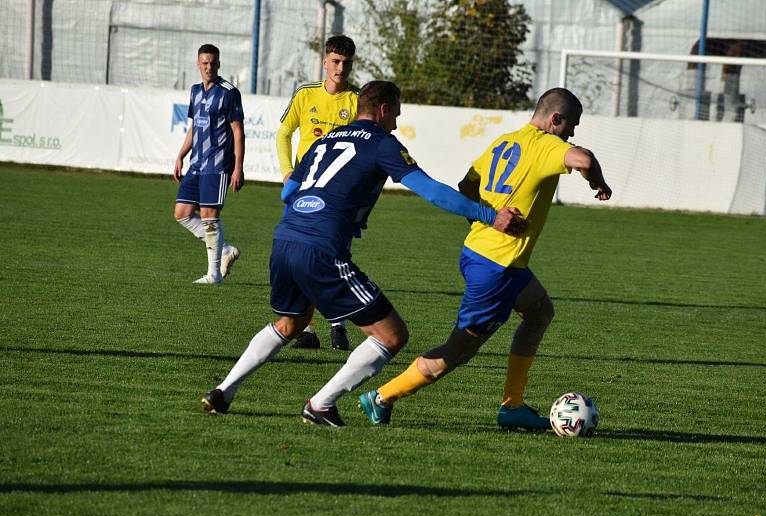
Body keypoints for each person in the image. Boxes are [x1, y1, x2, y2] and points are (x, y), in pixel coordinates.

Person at [201, 80, 526, 426]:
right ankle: (321, 404)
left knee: (291, 322)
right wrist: (490, 216)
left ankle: (223, 391)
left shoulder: (325, 140)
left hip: (284, 240)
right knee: (392, 335)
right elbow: (430, 191)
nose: (397, 123)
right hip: (320, 248)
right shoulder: (383, 144)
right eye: (396, 114)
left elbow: (289, 193)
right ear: (383, 109)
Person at [358, 88, 612, 430]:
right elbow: (584, 159)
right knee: (458, 350)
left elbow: (467, 183)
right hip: (497, 268)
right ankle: (382, 396)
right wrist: (598, 183)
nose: (572, 134)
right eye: (571, 126)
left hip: (483, 254)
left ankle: (513, 406)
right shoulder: (545, 144)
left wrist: (481, 219)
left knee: (539, 311)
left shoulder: (505, 142)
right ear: (555, 120)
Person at [276, 34, 359, 350]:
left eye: (346, 63)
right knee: (300, 257)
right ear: (325, 62)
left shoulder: (356, 101)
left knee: (337, 256)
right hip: (303, 189)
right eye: (336, 61)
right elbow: (284, 134)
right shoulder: (305, 94)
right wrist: (287, 174)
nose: (341, 68)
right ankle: (308, 331)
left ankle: (338, 324)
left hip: (338, 194)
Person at [173, 44, 244, 285]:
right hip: (196, 164)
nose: (209, 67)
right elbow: (194, 127)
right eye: (204, 63)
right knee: (181, 214)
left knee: (209, 217)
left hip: (218, 164)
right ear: (198, 64)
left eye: (213, 63)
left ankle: (213, 274)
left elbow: (238, 131)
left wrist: (238, 167)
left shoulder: (229, 92)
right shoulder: (195, 91)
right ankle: (224, 250)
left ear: (219, 64)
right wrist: (181, 155)